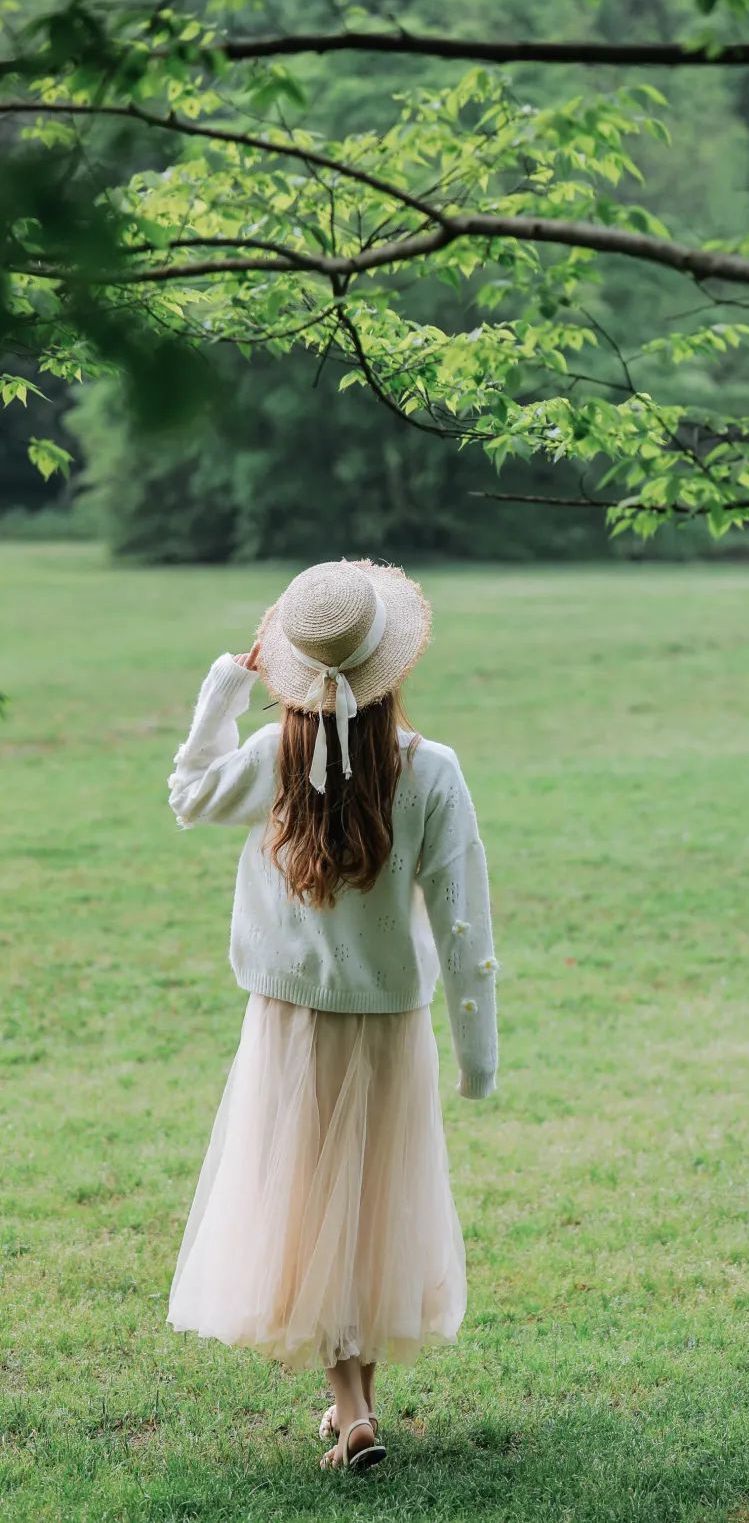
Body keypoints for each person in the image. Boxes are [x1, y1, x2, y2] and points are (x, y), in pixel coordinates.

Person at [164, 557, 499, 1474]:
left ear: (294, 672)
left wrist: (226, 686)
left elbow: (187, 794)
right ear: (392, 667)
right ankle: (354, 1405)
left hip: (291, 1022)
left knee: (319, 1206)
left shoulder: (273, 755)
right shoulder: (433, 772)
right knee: (371, 1201)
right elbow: (466, 922)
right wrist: (480, 1057)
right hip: (389, 1024)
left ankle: (351, 1407)